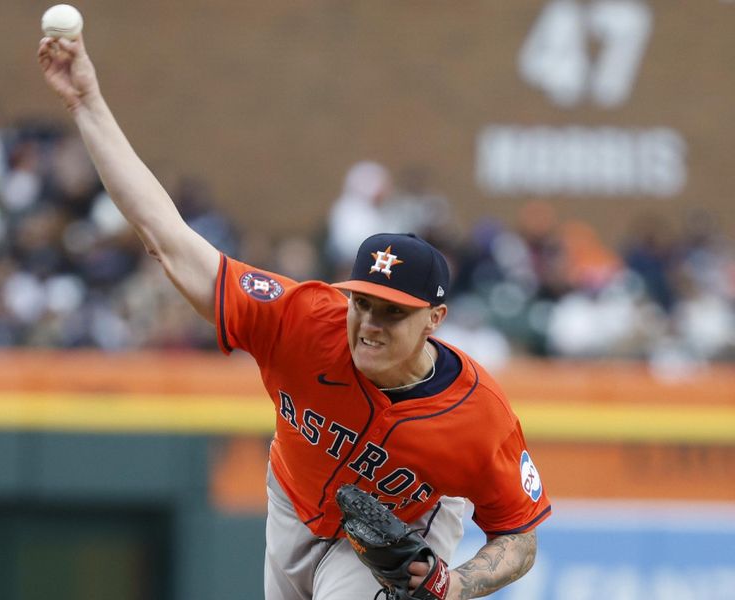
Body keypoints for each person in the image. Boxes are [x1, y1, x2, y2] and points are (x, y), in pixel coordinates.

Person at [38, 34, 551, 600]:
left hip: (397, 535)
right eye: (363, 302)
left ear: (435, 319)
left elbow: (519, 538)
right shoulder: (303, 319)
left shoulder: (478, 415)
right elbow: (170, 241)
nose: (370, 323)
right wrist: (87, 103)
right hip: (290, 501)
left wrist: (454, 584)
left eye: (394, 312)